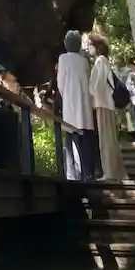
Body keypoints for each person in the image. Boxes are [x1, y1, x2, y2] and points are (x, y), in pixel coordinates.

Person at [55, 29, 97, 181]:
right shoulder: (84, 61)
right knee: (86, 140)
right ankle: (88, 173)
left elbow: (60, 84)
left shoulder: (63, 59)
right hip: (84, 105)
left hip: (70, 105)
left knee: (71, 139)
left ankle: (72, 174)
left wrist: (66, 95)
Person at [88, 33, 126, 182]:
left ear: (96, 46)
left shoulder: (100, 61)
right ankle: (113, 171)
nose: (88, 48)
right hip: (104, 104)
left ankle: (110, 172)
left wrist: (90, 92)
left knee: (106, 140)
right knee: (108, 139)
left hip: (103, 104)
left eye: (90, 45)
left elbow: (98, 85)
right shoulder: (102, 61)